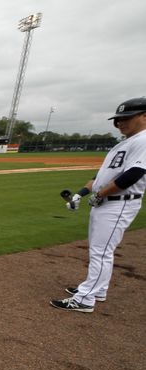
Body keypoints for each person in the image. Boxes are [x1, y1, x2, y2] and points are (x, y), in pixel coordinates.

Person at [51, 97, 146, 312]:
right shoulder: (124, 143)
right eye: (117, 120)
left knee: (101, 252)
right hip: (106, 202)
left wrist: (100, 194)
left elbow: (134, 174)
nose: (120, 123)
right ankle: (97, 289)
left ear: (144, 116)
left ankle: (85, 299)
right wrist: (81, 194)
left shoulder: (144, 140)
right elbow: (101, 176)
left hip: (118, 203)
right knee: (99, 250)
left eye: (126, 118)